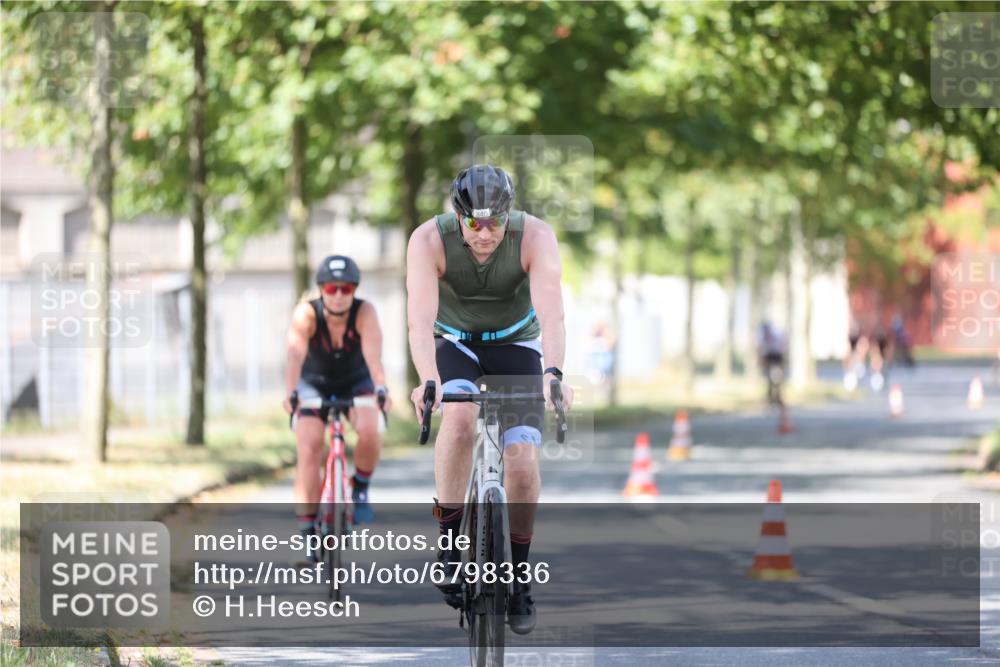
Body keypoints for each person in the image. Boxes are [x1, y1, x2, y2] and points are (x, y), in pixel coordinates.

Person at [405, 164, 574, 635]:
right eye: (473, 223)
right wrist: (427, 380)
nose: (483, 233)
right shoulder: (427, 240)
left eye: (494, 223)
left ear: (509, 214)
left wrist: (553, 373)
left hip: (516, 345)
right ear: (458, 217)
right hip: (453, 343)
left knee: (521, 462)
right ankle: (448, 542)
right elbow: (419, 321)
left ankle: (519, 576)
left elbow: (552, 314)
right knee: (458, 421)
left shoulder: (536, 237)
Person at [284, 255, 391, 562]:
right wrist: (290, 392)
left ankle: (360, 488)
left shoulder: (364, 311)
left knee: (370, 430)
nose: (340, 295)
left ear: (354, 290)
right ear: (322, 290)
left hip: (357, 382)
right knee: (310, 446)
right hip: (312, 384)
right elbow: (294, 356)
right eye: (332, 288)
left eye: (346, 288)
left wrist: (381, 388)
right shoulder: (306, 313)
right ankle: (307, 529)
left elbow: (374, 356)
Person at [756, 320, 786, 405]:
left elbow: (782, 346)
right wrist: (761, 360)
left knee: (778, 378)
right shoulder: (762, 335)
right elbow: (760, 347)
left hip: (777, 355)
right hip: (769, 355)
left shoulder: (777, 334)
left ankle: (777, 396)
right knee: (768, 378)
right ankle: (769, 397)